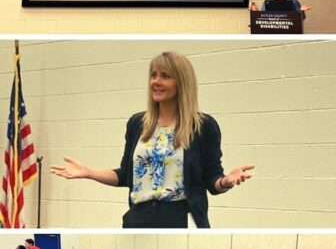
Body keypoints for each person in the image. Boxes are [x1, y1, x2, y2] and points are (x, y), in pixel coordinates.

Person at [49, 51, 255, 228]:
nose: (156, 81)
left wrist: (226, 181)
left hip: (181, 218)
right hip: (138, 218)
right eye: (153, 75)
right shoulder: (138, 123)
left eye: (165, 76)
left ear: (181, 83)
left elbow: (213, 181)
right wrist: (89, 172)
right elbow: (126, 176)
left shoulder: (202, 126)